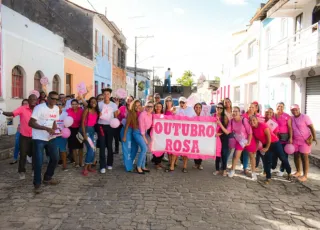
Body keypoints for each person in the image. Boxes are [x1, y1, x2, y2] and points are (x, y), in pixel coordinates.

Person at [28, 91, 60, 194]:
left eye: (56, 99)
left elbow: (54, 121)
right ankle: (37, 184)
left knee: (55, 158)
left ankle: (47, 177)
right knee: (39, 161)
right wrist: (45, 128)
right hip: (39, 138)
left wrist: (55, 130)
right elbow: (31, 123)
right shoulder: (39, 108)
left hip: (51, 138)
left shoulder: (56, 108)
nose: (54, 101)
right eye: (52, 98)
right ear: (48, 98)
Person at [2, 95, 37, 179]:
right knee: (23, 155)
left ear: (36, 100)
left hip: (35, 136)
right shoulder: (22, 108)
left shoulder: (38, 109)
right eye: (31, 99)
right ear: (28, 100)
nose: (33, 101)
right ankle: (21, 171)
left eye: (35, 99)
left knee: (35, 155)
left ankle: (34, 170)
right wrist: (3, 112)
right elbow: (12, 113)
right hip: (24, 136)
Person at [217, 106, 257, 180]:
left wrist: (248, 142)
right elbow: (227, 132)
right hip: (240, 141)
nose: (235, 113)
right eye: (233, 111)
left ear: (239, 113)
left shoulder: (244, 120)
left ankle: (253, 173)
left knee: (251, 157)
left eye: (236, 111)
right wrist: (219, 123)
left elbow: (250, 132)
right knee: (236, 156)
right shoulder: (231, 121)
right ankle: (232, 170)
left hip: (249, 139)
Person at [249, 115, 292, 184]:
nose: (252, 122)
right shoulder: (252, 129)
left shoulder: (262, 125)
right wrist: (255, 149)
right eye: (250, 120)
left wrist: (267, 147)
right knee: (267, 161)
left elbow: (268, 137)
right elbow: (257, 140)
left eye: (253, 120)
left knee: (282, 158)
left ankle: (289, 172)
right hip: (265, 144)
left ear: (257, 120)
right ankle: (268, 178)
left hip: (274, 143)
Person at [168, 96, 196, 173]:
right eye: (180, 102)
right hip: (177, 133)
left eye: (183, 102)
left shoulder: (190, 109)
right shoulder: (176, 108)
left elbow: (195, 119)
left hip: (187, 133)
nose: (181, 104)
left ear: (186, 103)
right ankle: (172, 165)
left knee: (185, 150)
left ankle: (184, 166)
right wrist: (172, 112)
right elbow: (171, 116)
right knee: (175, 148)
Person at [290, 104, 317, 182]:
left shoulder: (305, 117)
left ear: (299, 109)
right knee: (296, 156)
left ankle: (305, 175)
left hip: (305, 141)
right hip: (295, 140)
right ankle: (298, 171)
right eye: (293, 110)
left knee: (304, 157)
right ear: (291, 111)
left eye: (296, 109)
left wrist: (314, 138)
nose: (294, 111)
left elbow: (311, 127)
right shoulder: (291, 118)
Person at [98, 88, 120, 173]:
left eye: (108, 94)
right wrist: (98, 114)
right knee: (102, 146)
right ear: (103, 95)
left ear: (110, 95)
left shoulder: (113, 105)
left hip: (110, 126)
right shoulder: (99, 104)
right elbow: (96, 114)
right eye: (104, 94)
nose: (106, 95)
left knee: (109, 145)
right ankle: (102, 166)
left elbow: (115, 116)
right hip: (101, 126)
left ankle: (109, 163)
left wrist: (117, 110)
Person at [132, 101, 153, 174]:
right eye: (148, 106)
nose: (149, 108)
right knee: (144, 148)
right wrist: (144, 138)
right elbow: (141, 127)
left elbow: (149, 126)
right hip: (138, 133)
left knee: (144, 149)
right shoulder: (142, 114)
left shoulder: (150, 115)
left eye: (151, 106)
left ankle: (143, 166)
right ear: (145, 107)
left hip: (144, 132)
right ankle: (138, 167)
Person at [273, 102, 293, 177]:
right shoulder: (273, 115)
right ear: (276, 107)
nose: (279, 108)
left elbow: (290, 127)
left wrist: (290, 137)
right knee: (274, 154)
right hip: (275, 137)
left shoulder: (287, 116)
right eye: (278, 106)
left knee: (284, 155)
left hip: (284, 137)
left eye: (281, 106)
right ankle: (273, 167)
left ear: (283, 107)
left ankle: (282, 170)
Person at [6, 99, 28, 165]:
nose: (25, 105)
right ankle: (15, 158)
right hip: (20, 128)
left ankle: (27, 158)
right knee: (17, 144)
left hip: (29, 130)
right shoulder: (20, 110)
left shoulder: (32, 110)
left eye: (26, 103)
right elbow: (12, 114)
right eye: (23, 103)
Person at [121, 99, 141, 172]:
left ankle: (129, 162)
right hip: (127, 131)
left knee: (135, 148)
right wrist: (124, 136)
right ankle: (128, 167)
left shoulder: (139, 112)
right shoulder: (131, 113)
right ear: (133, 106)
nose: (137, 107)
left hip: (134, 131)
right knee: (127, 149)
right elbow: (126, 126)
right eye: (136, 105)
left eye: (139, 105)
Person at [81, 97, 99, 176]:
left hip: (93, 131)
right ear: (89, 103)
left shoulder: (97, 111)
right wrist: (84, 134)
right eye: (91, 102)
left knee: (93, 149)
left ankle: (89, 166)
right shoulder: (87, 110)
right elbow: (82, 122)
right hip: (86, 130)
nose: (93, 103)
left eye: (94, 102)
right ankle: (85, 168)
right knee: (91, 149)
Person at [213, 102, 229, 176]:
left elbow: (226, 129)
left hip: (224, 138)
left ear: (223, 109)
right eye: (217, 107)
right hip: (216, 138)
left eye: (220, 108)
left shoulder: (225, 117)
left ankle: (224, 170)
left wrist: (220, 133)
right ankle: (217, 169)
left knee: (224, 154)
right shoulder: (213, 116)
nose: (219, 109)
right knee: (217, 154)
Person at [67, 99, 84, 168]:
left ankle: (81, 162)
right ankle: (76, 163)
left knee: (80, 147)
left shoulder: (81, 111)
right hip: (71, 130)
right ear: (71, 105)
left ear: (78, 104)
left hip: (79, 129)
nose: (74, 105)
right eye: (72, 104)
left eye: (75, 104)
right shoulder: (68, 111)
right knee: (73, 147)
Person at [55, 100, 68, 171]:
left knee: (63, 150)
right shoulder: (52, 113)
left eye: (59, 104)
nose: (58, 105)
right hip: (54, 135)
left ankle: (64, 165)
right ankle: (54, 164)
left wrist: (63, 130)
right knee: (54, 151)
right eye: (56, 104)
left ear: (62, 106)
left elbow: (67, 123)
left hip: (63, 134)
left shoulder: (65, 114)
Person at [193, 103, 206, 170]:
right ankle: (195, 163)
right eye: (196, 107)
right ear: (194, 108)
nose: (198, 109)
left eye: (199, 107)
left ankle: (200, 164)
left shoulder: (204, 116)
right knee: (195, 149)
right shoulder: (191, 115)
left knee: (200, 150)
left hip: (201, 136)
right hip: (193, 135)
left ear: (201, 109)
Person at [153, 102, 164, 169]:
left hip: (162, 134)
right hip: (154, 134)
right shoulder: (152, 114)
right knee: (155, 149)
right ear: (155, 107)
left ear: (162, 108)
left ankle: (159, 162)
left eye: (160, 106)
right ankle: (156, 163)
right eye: (157, 106)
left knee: (161, 149)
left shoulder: (163, 115)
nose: (158, 108)